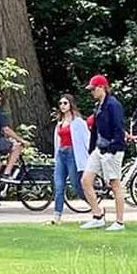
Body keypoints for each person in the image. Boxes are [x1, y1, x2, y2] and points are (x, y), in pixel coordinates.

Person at [81, 74, 126, 232]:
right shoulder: (98, 106)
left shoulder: (113, 105)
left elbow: (119, 129)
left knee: (115, 184)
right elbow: (95, 130)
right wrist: (92, 148)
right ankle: (98, 215)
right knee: (86, 180)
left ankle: (119, 222)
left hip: (112, 150)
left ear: (101, 87)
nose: (92, 92)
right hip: (99, 148)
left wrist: (113, 148)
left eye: (93, 89)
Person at [51, 93, 90, 223]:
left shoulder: (78, 122)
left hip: (72, 154)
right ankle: (57, 216)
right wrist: (56, 156)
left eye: (65, 103)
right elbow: (58, 141)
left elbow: (87, 140)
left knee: (76, 185)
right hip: (61, 154)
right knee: (59, 185)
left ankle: (95, 206)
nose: (62, 106)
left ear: (71, 105)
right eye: (61, 103)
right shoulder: (60, 123)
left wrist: (89, 157)